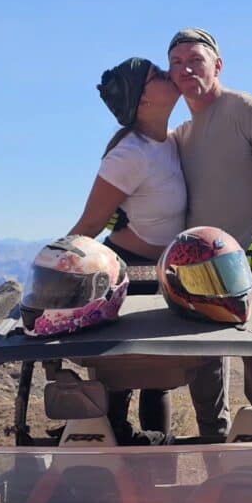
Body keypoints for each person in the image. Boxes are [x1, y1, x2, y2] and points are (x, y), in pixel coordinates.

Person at [168, 28, 252, 437]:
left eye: (195, 59)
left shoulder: (250, 112)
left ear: (218, 64)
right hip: (196, 276)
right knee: (205, 382)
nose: (186, 69)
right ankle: (218, 473)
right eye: (177, 63)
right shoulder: (182, 135)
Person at [68, 57, 185, 437]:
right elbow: (89, 224)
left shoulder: (171, 142)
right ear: (142, 101)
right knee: (118, 381)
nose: (167, 74)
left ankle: (157, 473)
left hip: (162, 277)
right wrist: (55, 277)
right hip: (126, 276)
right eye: (156, 75)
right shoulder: (129, 154)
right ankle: (107, 474)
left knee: (158, 378)